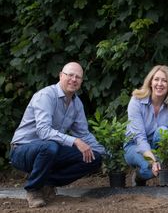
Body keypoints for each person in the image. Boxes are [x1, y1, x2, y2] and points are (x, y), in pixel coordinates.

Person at [10, 62, 105, 208]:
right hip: (22, 150)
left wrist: (106, 154)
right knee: (50, 146)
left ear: (81, 81)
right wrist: (75, 141)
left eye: (78, 77)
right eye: (70, 75)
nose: (74, 79)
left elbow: (84, 134)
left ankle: (47, 183)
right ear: (61, 75)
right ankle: (33, 190)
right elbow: (44, 132)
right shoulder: (45, 96)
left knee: (94, 158)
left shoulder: (77, 103)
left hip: (50, 151)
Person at [124, 65, 168, 186]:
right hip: (135, 145)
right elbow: (139, 138)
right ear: (150, 82)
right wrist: (153, 160)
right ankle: (139, 177)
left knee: (163, 131)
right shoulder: (136, 101)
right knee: (148, 168)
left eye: (165, 81)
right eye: (156, 79)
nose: (160, 84)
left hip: (159, 144)